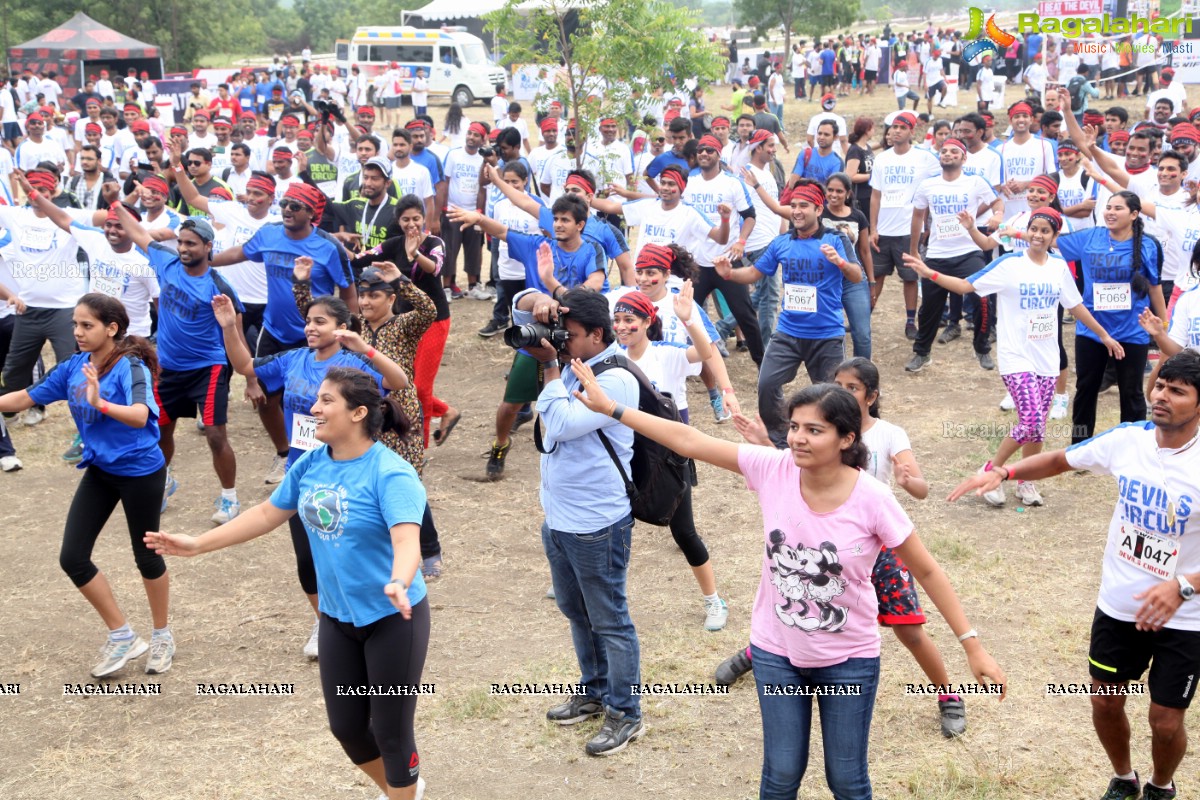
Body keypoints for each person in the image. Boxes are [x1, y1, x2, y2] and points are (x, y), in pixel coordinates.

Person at [571, 368, 1005, 798]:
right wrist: (613, 408)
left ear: (846, 438)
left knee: (848, 782)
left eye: (814, 430)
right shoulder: (773, 467)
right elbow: (690, 441)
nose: (798, 437)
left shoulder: (873, 499)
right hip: (776, 652)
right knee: (779, 778)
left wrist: (972, 644)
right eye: (794, 426)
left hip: (848, 659)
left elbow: (927, 571)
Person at [145, 367, 430, 800]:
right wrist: (198, 544)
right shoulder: (312, 463)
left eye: (326, 401)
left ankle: (402, 794)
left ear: (357, 413)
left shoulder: (391, 474)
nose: (313, 408)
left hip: (393, 617)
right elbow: (265, 514)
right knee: (348, 729)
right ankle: (400, 791)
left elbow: (407, 539)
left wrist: (398, 579)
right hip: (337, 617)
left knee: (391, 733)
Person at [949, 349, 1200, 800]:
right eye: (1160, 386)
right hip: (1120, 604)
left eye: (1177, 392)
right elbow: (1060, 460)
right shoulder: (1129, 439)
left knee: (1165, 720)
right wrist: (1004, 471)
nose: (1161, 396)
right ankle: (1124, 779)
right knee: (1104, 701)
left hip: (1186, 616)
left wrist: (1184, 586)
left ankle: (1162, 787)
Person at [906, 206, 1124, 508]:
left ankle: (1026, 482)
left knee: (1036, 425)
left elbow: (1075, 307)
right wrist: (928, 271)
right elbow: (965, 285)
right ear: (1027, 231)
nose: (1038, 235)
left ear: (1053, 236)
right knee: (1032, 420)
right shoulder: (1009, 264)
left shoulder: (1059, 267)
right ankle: (991, 471)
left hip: (1046, 358)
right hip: (1015, 356)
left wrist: (1104, 335)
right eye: (1034, 229)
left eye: (1045, 231)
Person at [0, 293, 171, 677]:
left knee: (146, 555)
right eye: (75, 324)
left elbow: (142, 415)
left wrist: (101, 402)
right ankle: (123, 636)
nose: (77, 332)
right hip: (100, 470)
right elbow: (24, 397)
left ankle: (162, 634)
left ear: (111, 329)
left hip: (141, 471)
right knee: (72, 557)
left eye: (86, 325)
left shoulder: (132, 367)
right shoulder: (73, 367)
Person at [515, 286, 643, 756]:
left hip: (597, 523)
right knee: (576, 611)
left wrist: (550, 365)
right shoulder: (575, 363)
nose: (560, 341)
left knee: (610, 620)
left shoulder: (618, 379)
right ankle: (594, 690)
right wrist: (538, 299)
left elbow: (564, 425)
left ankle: (626, 713)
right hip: (560, 518)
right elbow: (518, 311)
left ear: (596, 333)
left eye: (568, 335)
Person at [611, 286, 728, 629]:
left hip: (667, 459)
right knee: (613, 525)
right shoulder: (611, 360)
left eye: (629, 319)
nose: (621, 326)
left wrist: (689, 317)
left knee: (684, 532)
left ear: (647, 322)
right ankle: (579, 580)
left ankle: (714, 601)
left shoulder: (666, 355)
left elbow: (706, 352)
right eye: (617, 320)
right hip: (625, 454)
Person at [715, 180, 861, 447]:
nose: (796, 211)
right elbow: (754, 273)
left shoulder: (835, 239)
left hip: (826, 334)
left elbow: (856, 274)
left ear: (819, 209)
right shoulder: (781, 242)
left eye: (803, 205)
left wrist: (839, 262)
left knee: (830, 396)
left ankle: (833, 443)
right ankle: (781, 441)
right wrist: (729, 274)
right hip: (788, 332)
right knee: (767, 385)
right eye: (793, 205)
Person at [905, 136, 1003, 373]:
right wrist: (914, 249)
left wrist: (997, 216)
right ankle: (922, 353)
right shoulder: (928, 184)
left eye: (954, 152)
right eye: (944, 151)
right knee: (929, 309)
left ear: (963, 157)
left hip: (968, 251)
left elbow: (997, 202)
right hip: (937, 254)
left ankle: (981, 348)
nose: (948, 154)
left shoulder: (975, 182)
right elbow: (918, 217)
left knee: (982, 300)